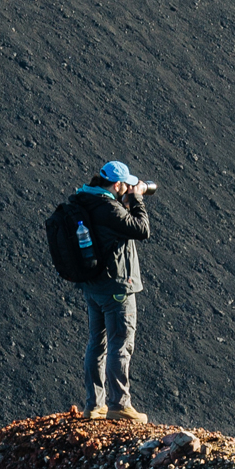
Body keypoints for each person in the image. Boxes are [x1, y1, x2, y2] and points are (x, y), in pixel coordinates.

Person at [75, 159, 152, 425]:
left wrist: (126, 201)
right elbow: (142, 230)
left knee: (97, 343)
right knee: (121, 343)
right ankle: (119, 405)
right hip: (116, 286)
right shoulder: (109, 209)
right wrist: (137, 199)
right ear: (117, 184)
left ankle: (93, 405)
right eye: (126, 185)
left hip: (93, 286)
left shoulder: (86, 199)